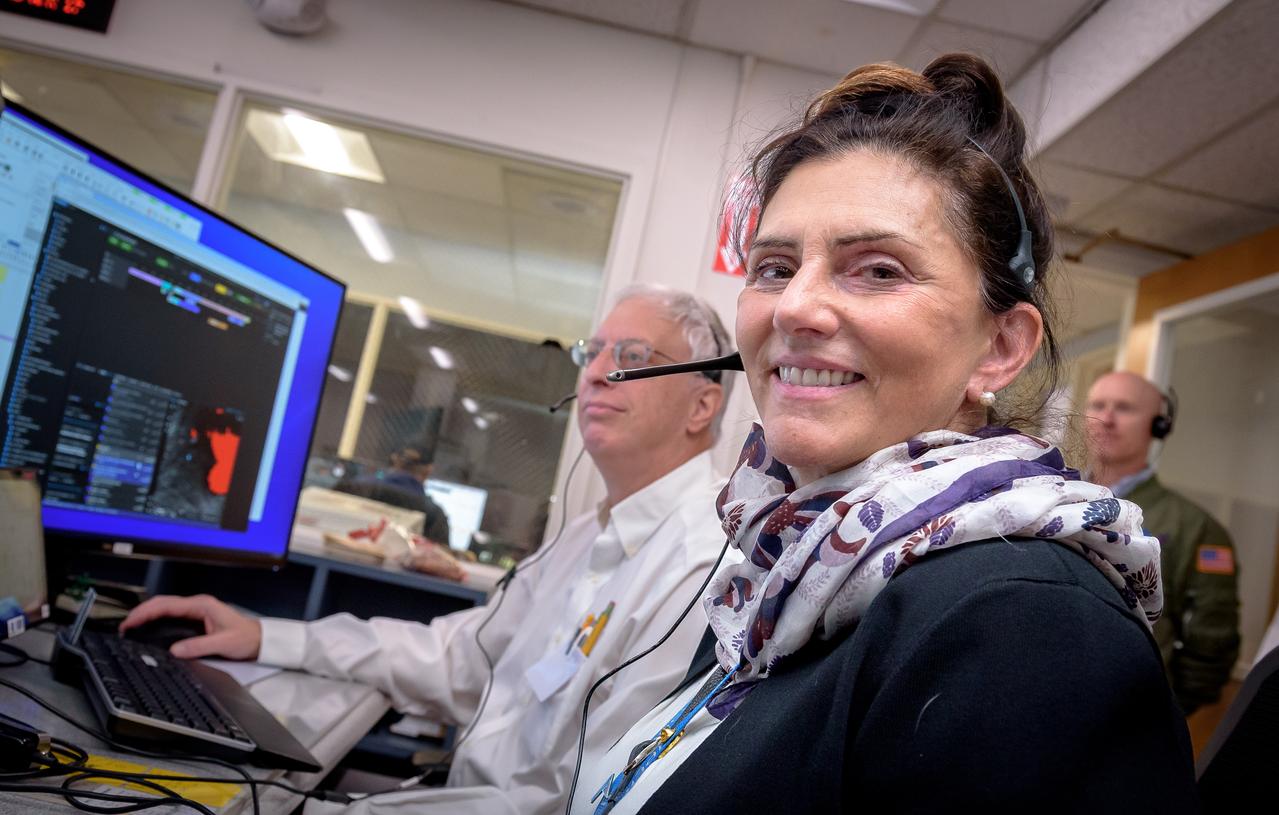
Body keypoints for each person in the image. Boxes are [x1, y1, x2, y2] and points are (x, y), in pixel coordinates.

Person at [571, 54, 1196, 814]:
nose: (794, 307)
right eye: (773, 267)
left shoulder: (1024, 628)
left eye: (875, 270)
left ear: (999, 346)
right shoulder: (786, 567)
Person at [121, 284, 737, 815]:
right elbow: (458, 656)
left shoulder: (699, 568)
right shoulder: (583, 540)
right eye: (592, 351)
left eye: (631, 356)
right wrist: (267, 636)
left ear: (702, 403)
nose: (597, 371)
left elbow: (577, 798)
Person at [1085, 370, 1241, 714]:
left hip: (1132, 715)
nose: (1106, 418)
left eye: (1124, 408)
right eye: (1098, 404)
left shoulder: (1197, 529)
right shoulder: (1052, 500)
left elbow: (1211, 645)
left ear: (1158, 426)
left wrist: (1166, 711)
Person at [334, 440, 452, 546]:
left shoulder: (353, 487)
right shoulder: (434, 516)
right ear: (429, 470)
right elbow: (440, 557)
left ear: (394, 459)